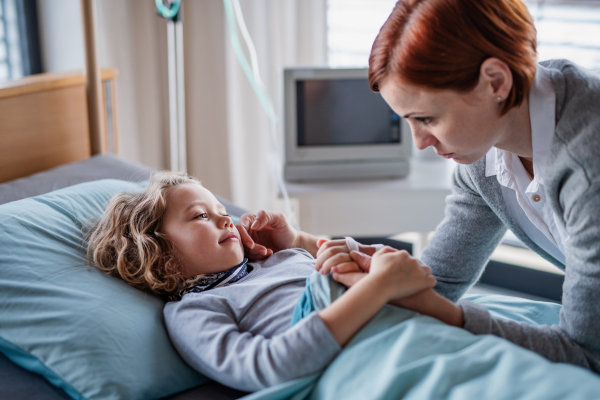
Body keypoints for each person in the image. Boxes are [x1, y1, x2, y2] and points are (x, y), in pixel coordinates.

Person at [250, 0, 600, 374]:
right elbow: (437, 282)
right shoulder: (484, 160)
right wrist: (326, 250)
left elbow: (585, 353)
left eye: (428, 118)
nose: (420, 143)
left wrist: (445, 313)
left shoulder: (587, 167)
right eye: (408, 121)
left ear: (496, 81)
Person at [86, 171, 436, 392]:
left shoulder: (281, 258)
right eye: (202, 216)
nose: (227, 221)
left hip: (416, 323)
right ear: (158, 252)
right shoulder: (194, 310)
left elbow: (401, 270)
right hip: (374, 363)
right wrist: (378, 289)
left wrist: (299, 240)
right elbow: (269, 367)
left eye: (223, 213)